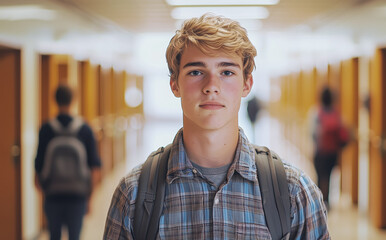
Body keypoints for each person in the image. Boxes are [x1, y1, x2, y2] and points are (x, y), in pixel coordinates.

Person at [103, 14, 329, 239]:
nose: (211, 86)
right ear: (174, 84)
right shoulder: (133, 195)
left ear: (246, 84)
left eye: (227, 72)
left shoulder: (294, 192)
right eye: (196, 72)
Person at [35, 85, 102, 240]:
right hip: (77, 196)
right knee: (75, 236)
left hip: (53, 195)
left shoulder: (46, 129)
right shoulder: (85, 129)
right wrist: (90, 198)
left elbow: (38, 166)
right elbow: (95, 167)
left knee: (54, 236)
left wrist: (46, 193)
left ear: (55, 100)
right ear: (74, 100)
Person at [311, 86, 349, 209]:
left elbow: (312, 134)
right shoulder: (336, 113)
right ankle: (327, 201)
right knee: (329, 176)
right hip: (333, 152)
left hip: (320, 152)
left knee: (320, 176)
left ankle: (319, 201)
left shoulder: (316, 113)